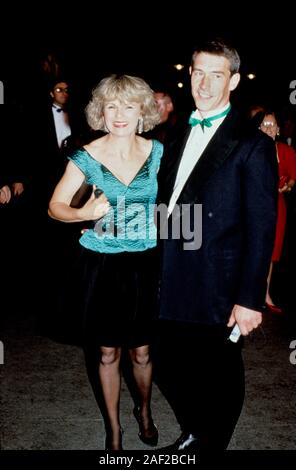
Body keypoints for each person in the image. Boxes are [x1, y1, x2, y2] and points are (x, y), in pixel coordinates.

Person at [155, 38, 278, 451]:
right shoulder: (173, 138)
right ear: (189, 74)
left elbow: (262, 226)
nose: (205, 85)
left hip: (219, 282)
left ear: (235, 80)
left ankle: (208, 443)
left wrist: (250, 298)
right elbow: (167, 207)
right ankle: (194, 429)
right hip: (170, 273)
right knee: (168, 365)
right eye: (198, 73)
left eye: (217, 75)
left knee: (218, 372)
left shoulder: (252, 143)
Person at [48, 74, 163, 450]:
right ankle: (114, 429)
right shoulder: (88, 156)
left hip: (146, 262)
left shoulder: (158, 152)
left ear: (142, 110)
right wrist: (84, 213)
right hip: (103, 265)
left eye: (128, 106)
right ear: (100, 110)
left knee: (142, 351)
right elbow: (55, 207)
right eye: (111, 105)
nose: (119, 114)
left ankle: (144, 409)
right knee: (107, 350)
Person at [258, 110, 296, 313]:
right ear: (258, 128)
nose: (268, 128)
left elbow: (292, 177)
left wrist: (288, 186)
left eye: (272, 125)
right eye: (264, 124)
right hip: (253, 205)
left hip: (276, 204)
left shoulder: (286, 151)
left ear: (279, 130)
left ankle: (265, 293)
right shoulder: (251, 149)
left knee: (271, 250)